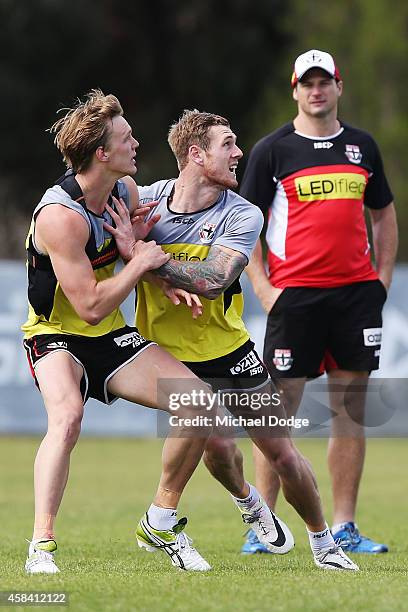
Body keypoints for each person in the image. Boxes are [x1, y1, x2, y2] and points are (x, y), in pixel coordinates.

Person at [109, 109, 358, 570]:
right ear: (196, 154)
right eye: (228, 144)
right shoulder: (143, 201)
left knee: (281, 452)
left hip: (228, 350)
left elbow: (216, 277)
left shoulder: (241, 212)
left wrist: (141, 256)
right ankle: (247, 503)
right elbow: (90, 214)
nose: (239, 153)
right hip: (166, 358)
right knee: (220, 449)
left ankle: (324, 544)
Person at [22, 90, 219, 574]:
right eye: (127, 138)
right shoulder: (59, 218)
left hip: (109, 335)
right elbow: (88, 305)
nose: (137, 143)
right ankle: (40, 546)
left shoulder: (124, 192)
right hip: (56, 336)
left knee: (198, 404)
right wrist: (145, 264)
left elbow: (131, 254)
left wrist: (155, 271)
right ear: (101, 154)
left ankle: (160, 520)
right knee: (67, 418)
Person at [240, 49, 398, 554]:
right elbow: (245, 226)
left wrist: (382, 279)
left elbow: (384, 216)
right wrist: (263, 288)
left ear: (338, 86)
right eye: (307, 83)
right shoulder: (273, 150)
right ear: (294, 90)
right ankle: (264, 529)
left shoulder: (361, 146)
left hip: (356, 298)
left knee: (350, 412)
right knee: (275, 416)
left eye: (324, 82)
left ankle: (346, 526)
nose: (316, 90)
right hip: (296, 299)